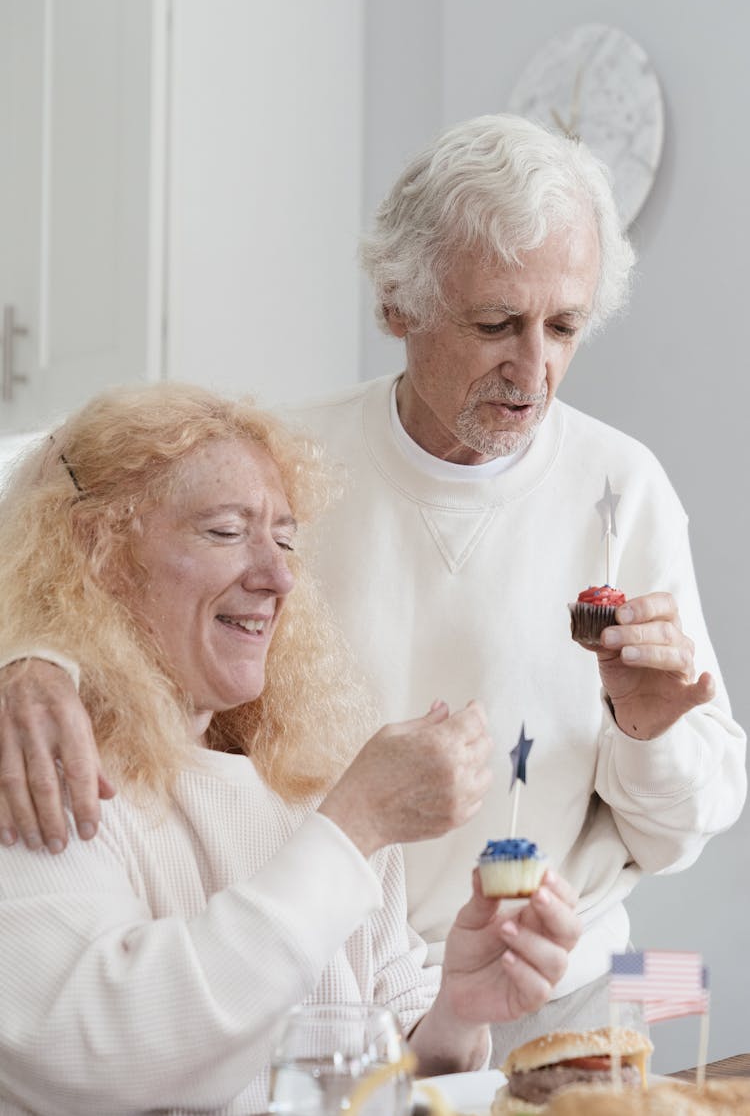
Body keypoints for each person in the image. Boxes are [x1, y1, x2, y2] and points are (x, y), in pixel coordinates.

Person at [0, 114, 746, 1062]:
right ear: (399, 305)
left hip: (548, 986)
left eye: (563, 326)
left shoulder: (623, 489)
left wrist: (652, 731)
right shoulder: (284, 471)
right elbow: (59, 495)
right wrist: (33, 651)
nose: (535, 368)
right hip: (316, 983)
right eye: (495, 324)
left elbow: (679, 831)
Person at [0, 383, 580, 1116]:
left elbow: (378, 1077)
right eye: (223, 531)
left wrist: (458, 1012)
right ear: (97, 549)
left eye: (284, 537)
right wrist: (356, 822)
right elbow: (110, 1053)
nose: (277, 577)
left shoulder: (307, 781)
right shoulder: (36, 762)